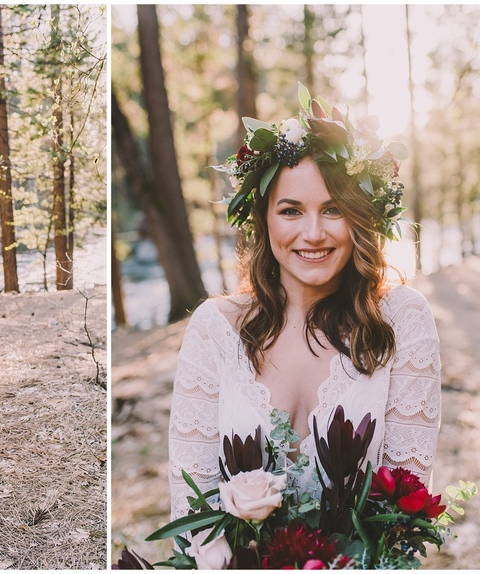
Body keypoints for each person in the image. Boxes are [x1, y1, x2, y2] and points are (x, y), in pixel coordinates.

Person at [168, 86, 441, 519]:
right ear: (262, 219)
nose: (313, 233)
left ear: (360, 219)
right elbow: (191, 510)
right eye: (291, 210)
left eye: (333, 210)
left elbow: (403, 507)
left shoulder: (401, 320)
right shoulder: (215, 329)